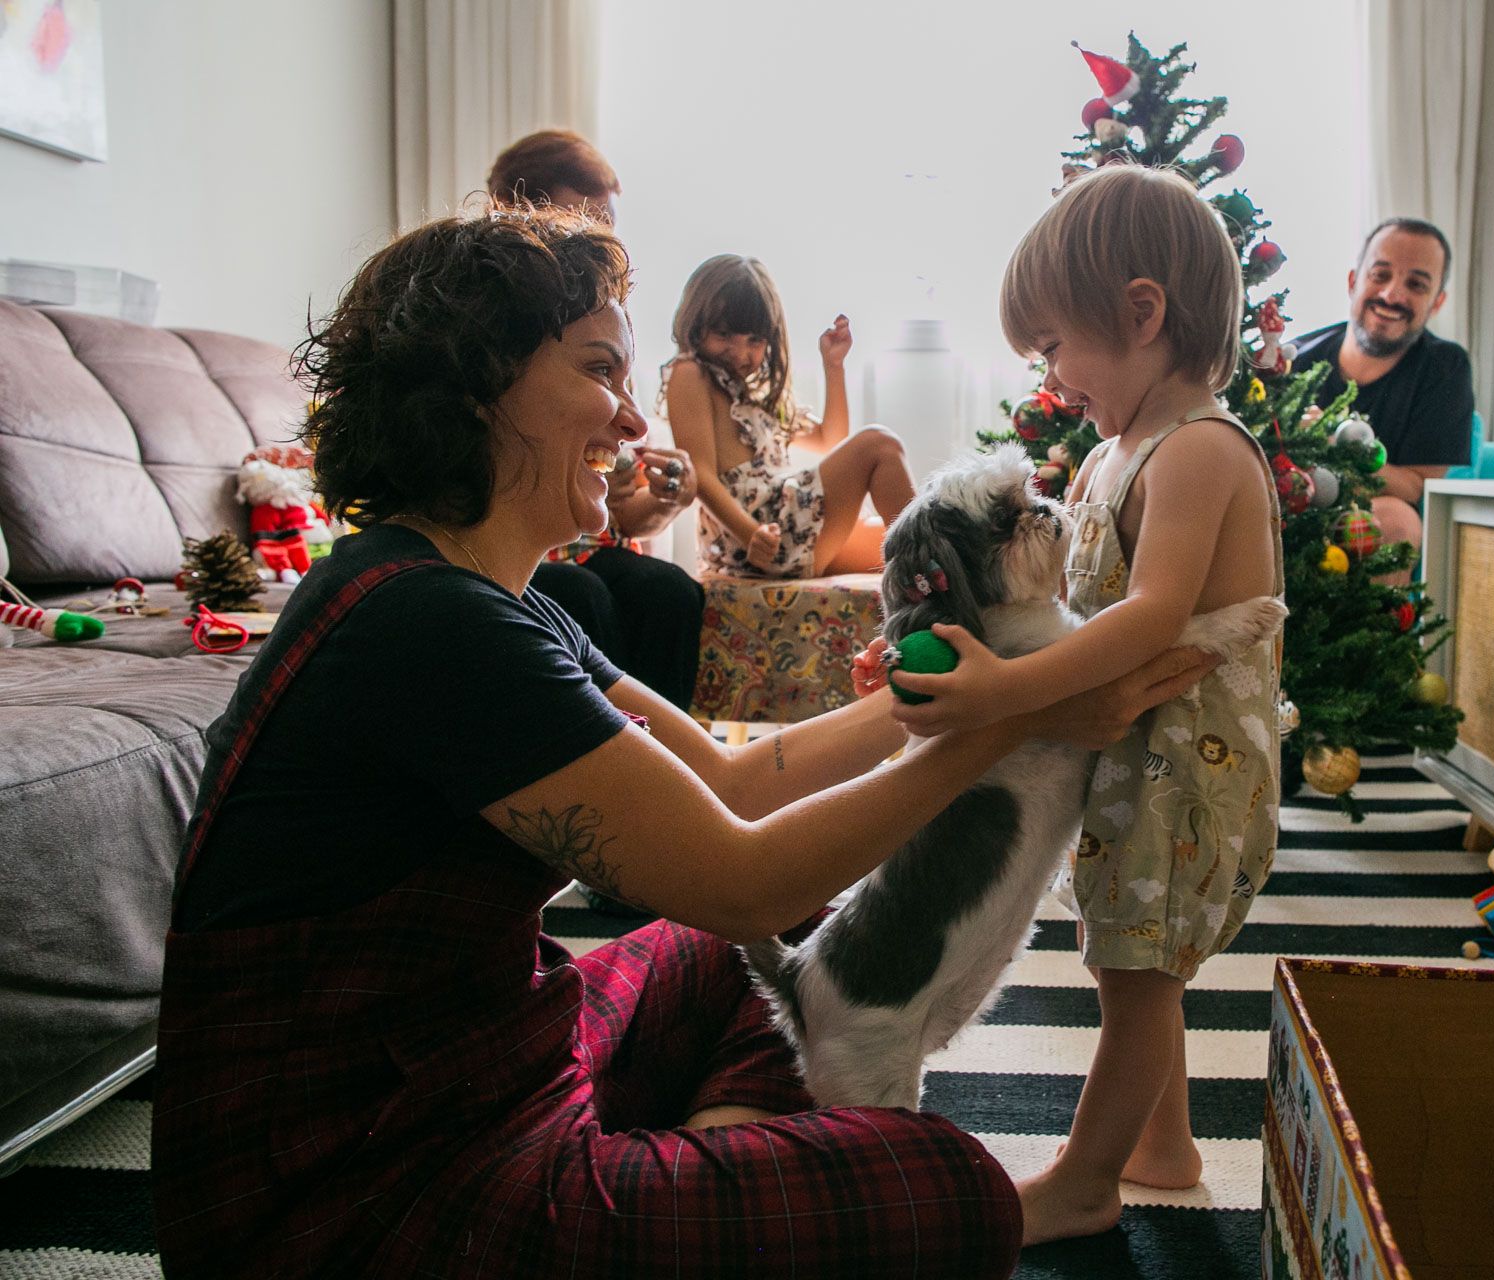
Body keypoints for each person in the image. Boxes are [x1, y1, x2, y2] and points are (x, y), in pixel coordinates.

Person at [150, 207, 1221, 1276]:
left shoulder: (499, 597)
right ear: (477, 385)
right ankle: (715, 1183)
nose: (631, 420)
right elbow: (743, 881)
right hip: (353, 1194)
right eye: (598, 371)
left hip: (486, 1059)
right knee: (946, 1184)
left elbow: (732, 781)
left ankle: (713, 1170)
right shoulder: (427, 623)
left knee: (773, 953)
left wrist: (940, 691)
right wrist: (1020, 713)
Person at [888, 164, 1286, 1245]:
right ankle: (1166, 1145)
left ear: (1142, 313)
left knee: (1139, 973)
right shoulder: (1117, 453)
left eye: (1055, 346)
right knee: (1130, 958)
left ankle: (1086, 1178)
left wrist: (1005, 692)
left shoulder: (1200, 449)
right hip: (1142, 753)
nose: (1052, 377)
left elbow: (1153, 614)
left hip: (1192, 767)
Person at [488, 128, 706, 711]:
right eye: (582, 224)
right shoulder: (496, 334)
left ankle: (664, 751)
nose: (599, 247)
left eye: (607, 228)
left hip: (585, 547)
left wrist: (664, 500)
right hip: (523, 552)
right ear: (512, 212)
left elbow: (617, 515)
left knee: (668, 591)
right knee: (578, 595)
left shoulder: (601, 325)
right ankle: (606, 750)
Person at [665, 254, 914, 577]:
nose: (740, 354)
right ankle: (932, 565)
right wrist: (750, 534)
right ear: (695, 325)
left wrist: (834, 367)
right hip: (760, 533)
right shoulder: (690, 373)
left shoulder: (755, 396)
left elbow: (829, 440)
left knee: (898, 543)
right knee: (880, 444)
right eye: (724, 335)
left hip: (786, 528)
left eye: (754, 340)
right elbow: (699, 473)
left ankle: (936, 580)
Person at [1289, 217, 1474, 569]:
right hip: (1287, 508)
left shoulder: (1445, 367)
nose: (1392, 295)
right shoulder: (1292, 359)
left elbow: (1416, 487)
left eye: (1416, 284)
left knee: (1396, 521)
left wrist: (1331, 442)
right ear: (1353, 282)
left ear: (1436, 303)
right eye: (1380, 275)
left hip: (1368, 517)